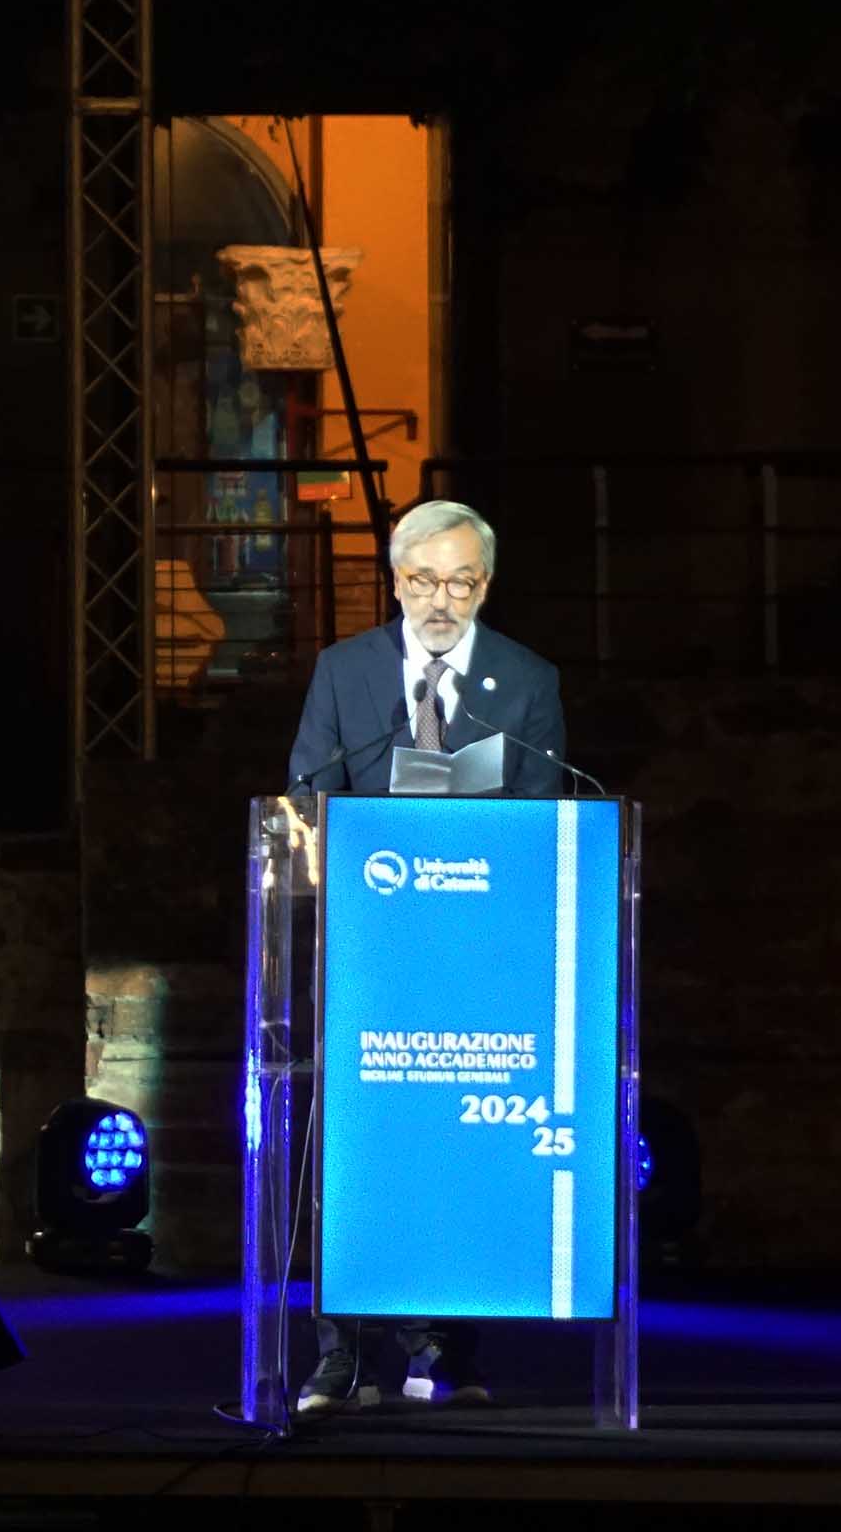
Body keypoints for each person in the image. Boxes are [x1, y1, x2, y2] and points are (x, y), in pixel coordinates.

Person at [284, 498, 568, 1413]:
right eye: (423, 580)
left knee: (459, 1145)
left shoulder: (527, 680)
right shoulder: (345, 672)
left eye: (462, 581)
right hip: (369, 959)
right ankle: (343, 1352)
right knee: (356, 1151)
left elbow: (546, 813)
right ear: (394, 578)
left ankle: (446, 1348)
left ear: (486, 584)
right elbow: (305, 798)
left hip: (475, 959)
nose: (441, 601)